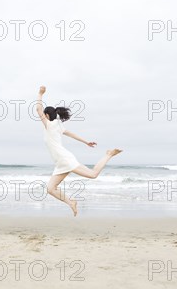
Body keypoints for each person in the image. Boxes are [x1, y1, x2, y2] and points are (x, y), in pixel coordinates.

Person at [36, 86, 122, 216]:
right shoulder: (57, 125)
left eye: (44, 116)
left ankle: (108, 155)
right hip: (61, 162)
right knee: (50, 189)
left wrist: (40, 94)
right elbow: (70, 133)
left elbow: (38, 109)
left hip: (65, 159)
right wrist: (86, 142)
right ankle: (71, 202)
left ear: (47, 116)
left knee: (93, 174)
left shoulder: (50, 124)